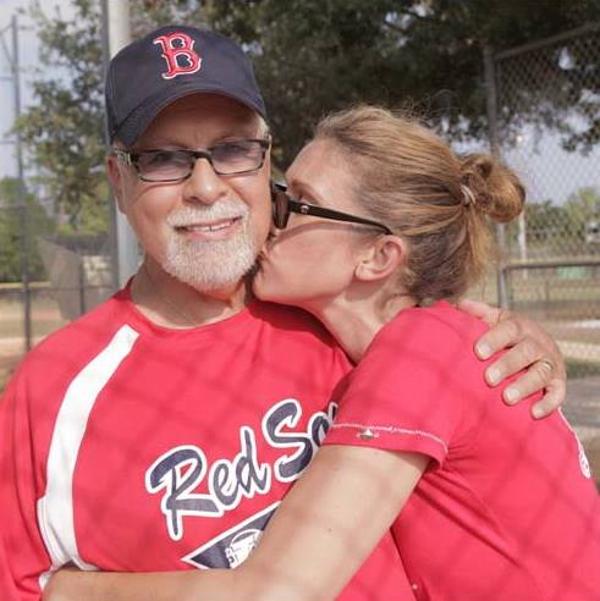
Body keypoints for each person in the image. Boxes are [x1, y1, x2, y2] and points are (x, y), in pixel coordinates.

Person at [0, 26, 564, 601]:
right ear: (118, 181)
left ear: (264, 158)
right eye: (162, 158)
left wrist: (521, 342)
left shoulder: (342, 316)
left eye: (233, 150)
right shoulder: (52, 395)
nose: (205, 185)